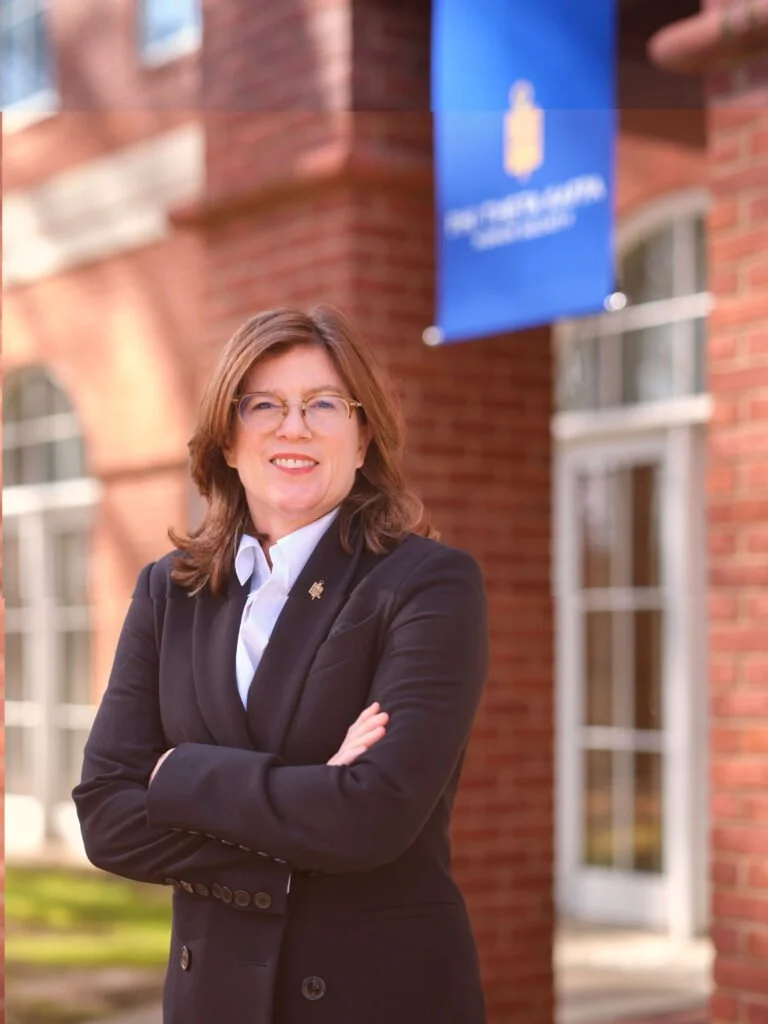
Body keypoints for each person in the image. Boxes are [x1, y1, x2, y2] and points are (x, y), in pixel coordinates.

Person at [73, 305, 489, 1024]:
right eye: (264, 404)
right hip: (210, 999)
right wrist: (312, 797)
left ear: (362, 438)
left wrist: (177, 774)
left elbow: (373, 817)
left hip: (377, 998)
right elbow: (107, 817)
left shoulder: (425, 584)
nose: (292, 427)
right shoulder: (169, 591)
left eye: (323, 404)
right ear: (227, 442)